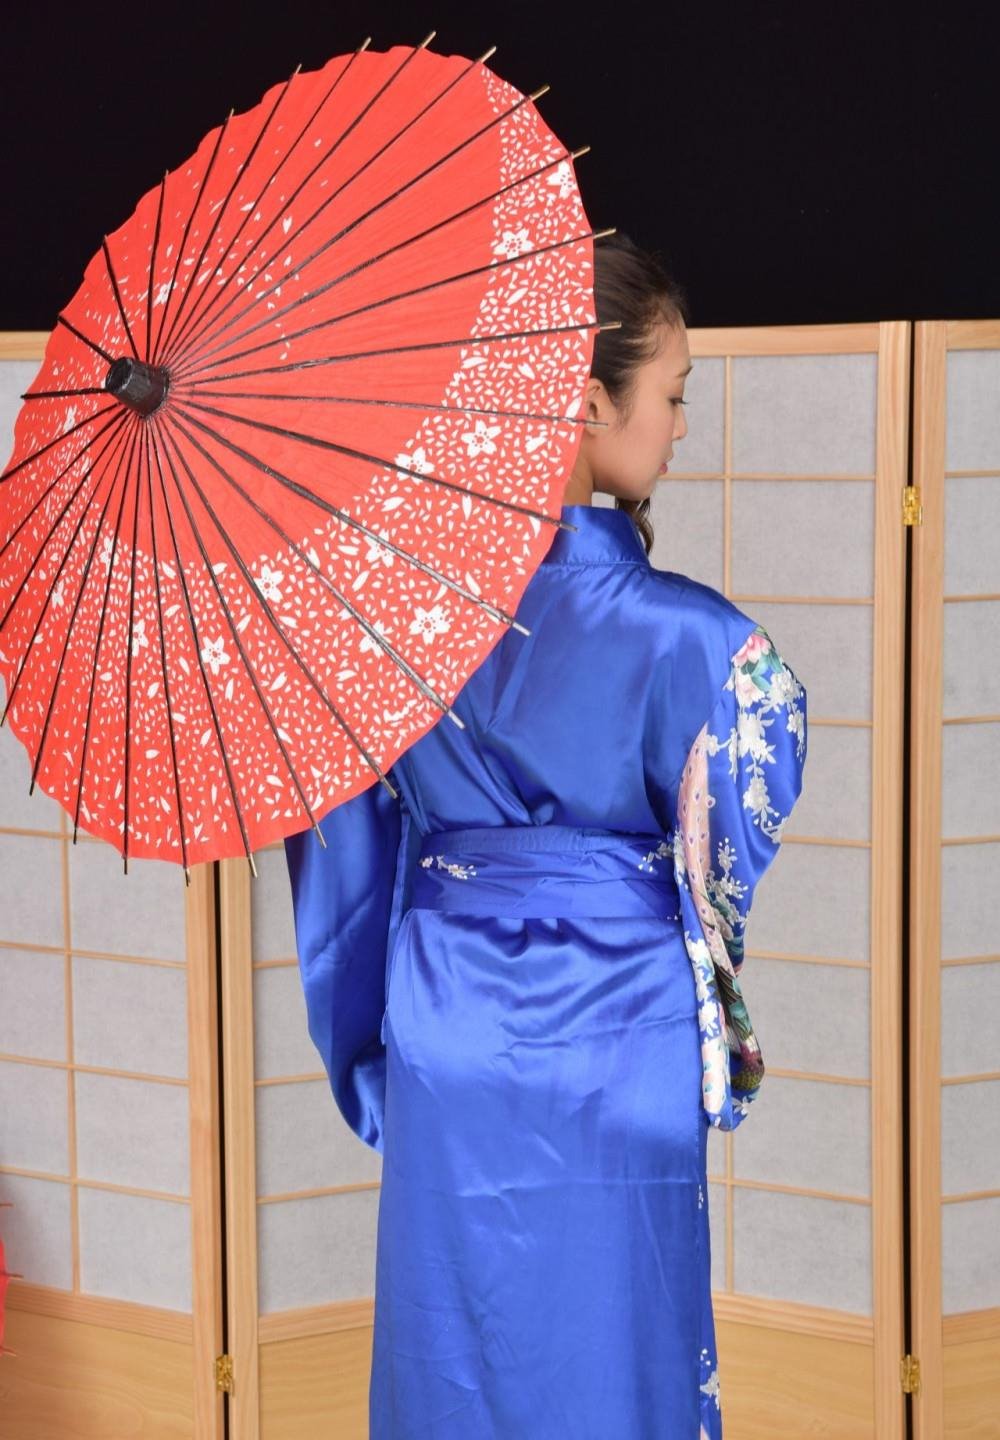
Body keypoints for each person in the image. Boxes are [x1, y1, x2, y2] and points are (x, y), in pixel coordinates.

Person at [283, 232, 808, 1439]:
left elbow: (342, 860)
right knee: (618, 1350)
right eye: (670, 394)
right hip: (622, 1030)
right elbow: (736, 829)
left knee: (456, 1351)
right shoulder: (701, 640)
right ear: (587, 399)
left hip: (449, 1021)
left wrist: (369, 1049)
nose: (679, 427)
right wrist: (688, 940)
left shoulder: (390, 624)